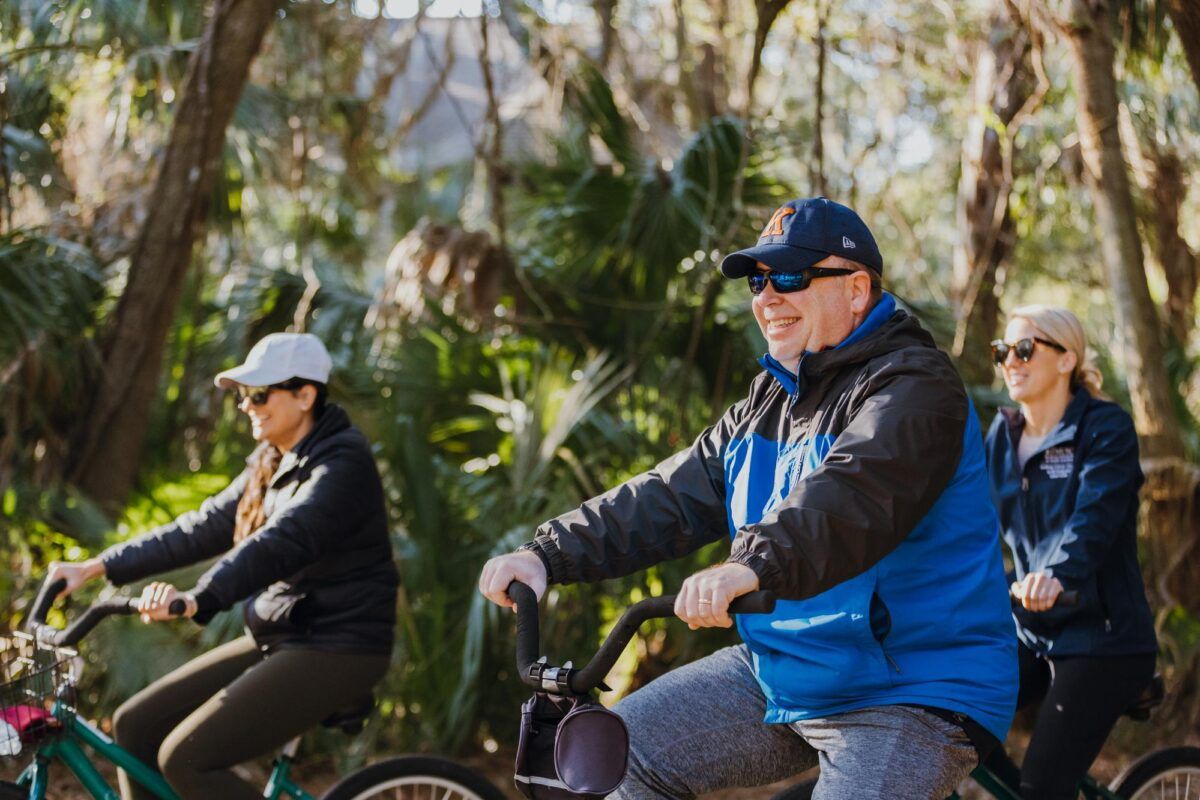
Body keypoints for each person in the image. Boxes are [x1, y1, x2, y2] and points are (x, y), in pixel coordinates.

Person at [479, 197, 1018, 800]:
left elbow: (850, 497)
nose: (766, 297)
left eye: (790, 277)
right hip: (784, 671)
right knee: (617, 759)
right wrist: (547, 555)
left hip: (913, 686)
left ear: (857, 289)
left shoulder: (915, 387)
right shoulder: (769, 400)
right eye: (758, 281)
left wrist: (749, 564)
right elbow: (668, 495)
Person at [46, 332, 399, 800]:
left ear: (305, 395)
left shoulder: (341, 464)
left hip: (339, 643)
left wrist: (199, 598)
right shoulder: (272, 461)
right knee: (136, 726)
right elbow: (200, 527)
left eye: (258, 394)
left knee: (186, 758)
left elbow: (282, 539)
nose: (246, 405)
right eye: (241, 396)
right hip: (287, 631)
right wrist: (96, 567)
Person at [982, 306, 1157, 800]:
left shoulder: (1104, 429)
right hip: (1032, 631)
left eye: (1024, 349)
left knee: (1042, 788)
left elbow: (1094, 520)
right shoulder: (1003, 436)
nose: (1010, 361)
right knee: (945, 715)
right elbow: (967, 525)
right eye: (1002, 352)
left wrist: (1055, 575)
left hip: (1104, 639)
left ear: (1067, 360)